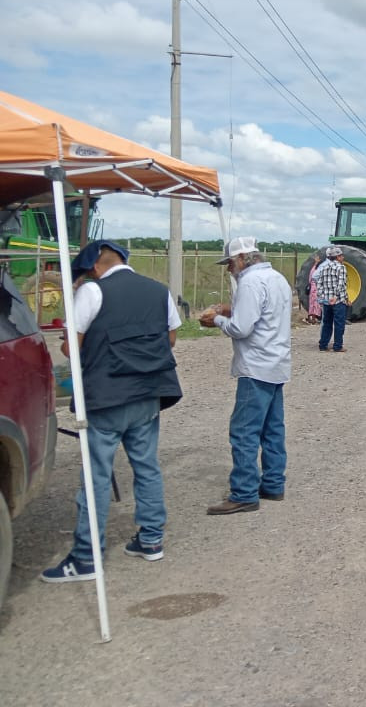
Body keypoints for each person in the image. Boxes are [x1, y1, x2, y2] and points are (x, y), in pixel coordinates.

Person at [42, 240, 182, 582]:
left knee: (96, 477)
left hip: (107, 397)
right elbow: (171, 339)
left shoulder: (91, 292)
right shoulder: (159, 290)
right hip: (148, 394)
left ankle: (86, 556)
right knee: (146, 467)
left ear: (94, 266)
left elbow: (70, 348)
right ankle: (151, 540)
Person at [200, 237, 292, 515]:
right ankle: (273, 483)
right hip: (276, 363)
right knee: (272, 429)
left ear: (241, 259)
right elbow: (263, 313)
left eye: (229, 263)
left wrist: (216, 320)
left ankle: (244, 492)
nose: (229, 269)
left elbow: (241, 328)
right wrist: (226, 309)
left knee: (244, 431)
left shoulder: (250, 282)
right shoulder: (277, 278)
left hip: (256, 366)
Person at [313, 246, 348, 352]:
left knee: (327, 323)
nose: (343, 257)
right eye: (341, 256)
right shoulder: (341, 268)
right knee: (339, 324)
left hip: (327, 300)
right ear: (337, 257)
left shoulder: (324, 267)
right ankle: (338, 346)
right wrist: (336, 296)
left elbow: (319, 284)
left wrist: (322, 298)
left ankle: (323, 345)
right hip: (338, 301)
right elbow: (341, 284)